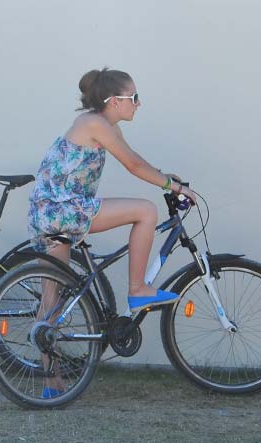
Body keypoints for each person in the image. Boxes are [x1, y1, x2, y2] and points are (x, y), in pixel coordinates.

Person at [29, 68, 199, 311]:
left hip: (49, 213)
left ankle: (43, 344)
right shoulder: (94, 124)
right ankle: (138, 289)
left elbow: (133, 157)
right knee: (147, 211)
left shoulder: (101, 123)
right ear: (115, 101)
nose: (139, 103)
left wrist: (163, 176)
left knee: (52, 303)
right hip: (63, 211)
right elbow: (133, 165)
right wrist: (175, 186)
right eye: (134, 97)